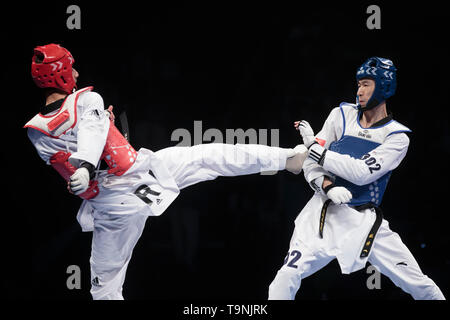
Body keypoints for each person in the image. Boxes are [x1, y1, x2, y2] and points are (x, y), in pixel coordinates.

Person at [25, 43, 308, 300]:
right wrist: (87, 165)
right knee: (208, 157)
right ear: (59, 72)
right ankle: (289, 159)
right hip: (133, 183)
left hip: (109, 205)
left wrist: (97, 149)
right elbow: (86, 137)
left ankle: (288, 159)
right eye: (70, 68)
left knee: (104, 289)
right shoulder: (87, 101)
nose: (75, 74)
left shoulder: (36, 130)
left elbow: (70, 161)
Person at [268, 57, 445, 300]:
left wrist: (315, 148)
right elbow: (310, 163)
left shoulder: (396, 137)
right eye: (358, 84)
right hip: (321, 212)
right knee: (286, 275)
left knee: (420, 285)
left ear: (383, 87)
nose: (359, 91)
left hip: (364, 220)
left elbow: (361, 172)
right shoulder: (340, 115)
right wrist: (327, 186)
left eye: (366, 85)